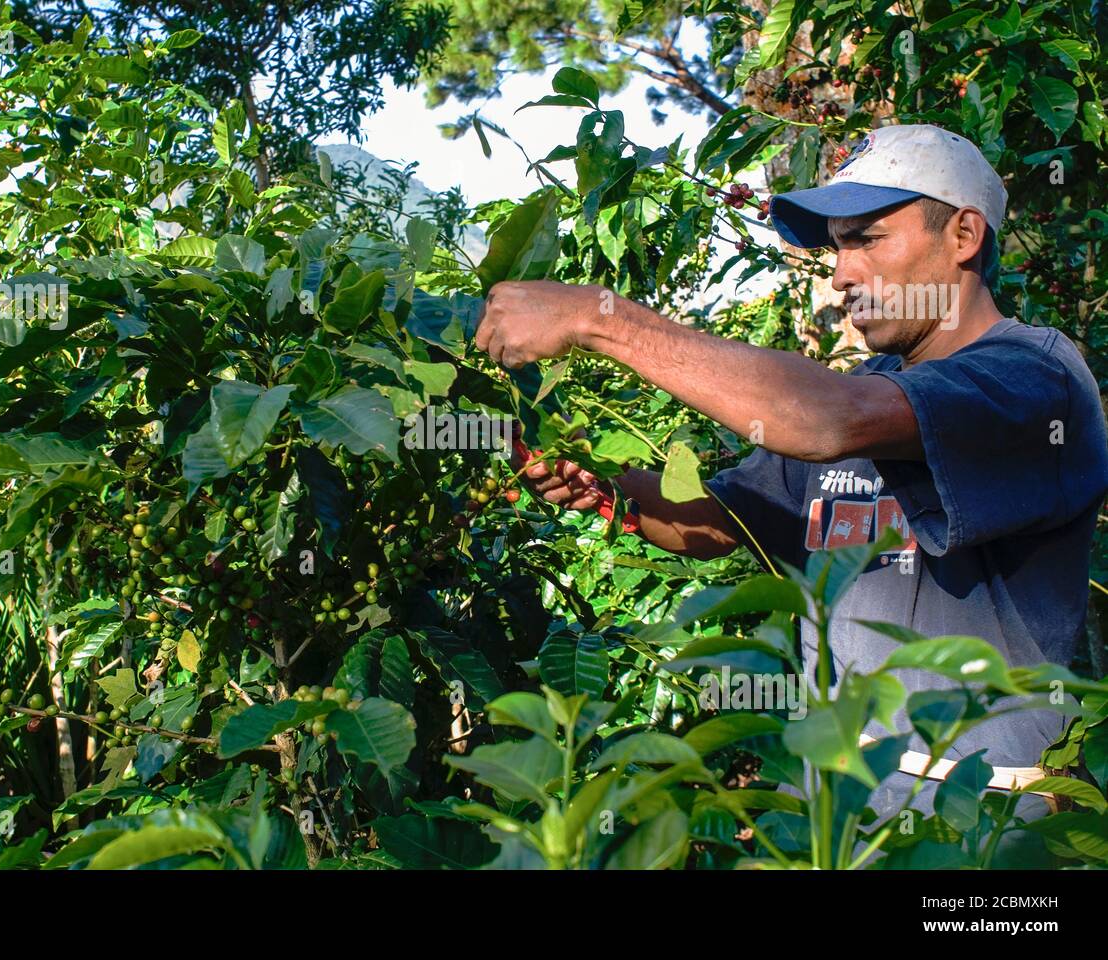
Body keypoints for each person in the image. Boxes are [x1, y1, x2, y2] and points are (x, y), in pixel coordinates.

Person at [472, 124, 1108, 844]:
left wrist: (597, 317)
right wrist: (608, 490)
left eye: (866, 239)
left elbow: (822, 417)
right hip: (826, 811)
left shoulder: (1033, 378)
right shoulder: (868, 391)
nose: (840, 273)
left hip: (974, 825)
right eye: (836, 247)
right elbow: (717, 525)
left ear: (963, 235)